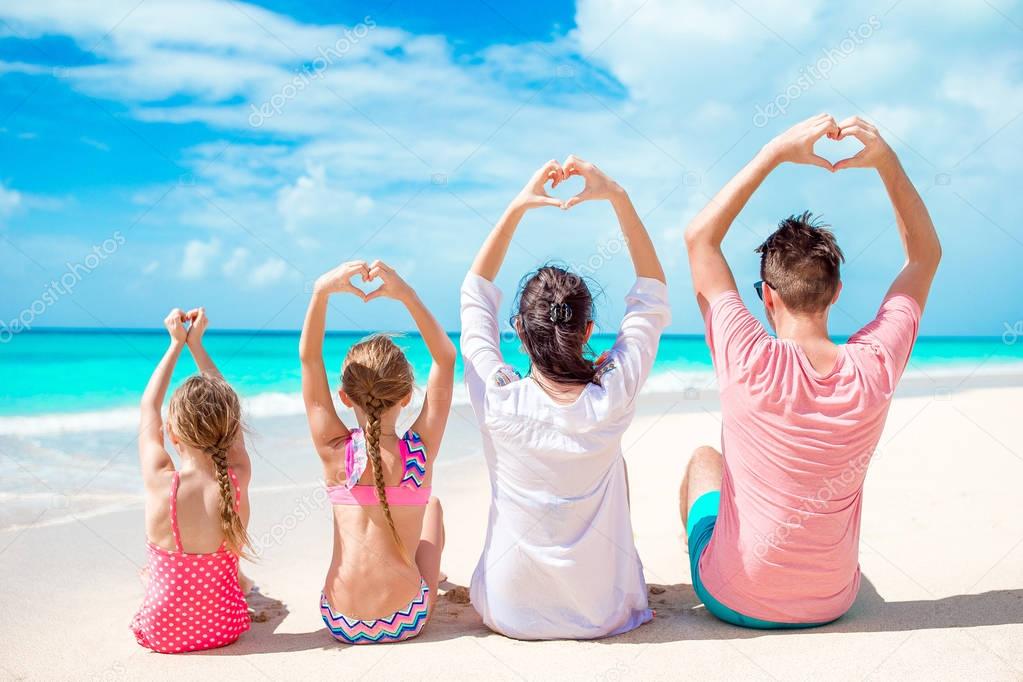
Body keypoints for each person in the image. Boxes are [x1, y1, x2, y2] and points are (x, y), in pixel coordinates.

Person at [680, 114, 942, 627]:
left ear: (768, 296)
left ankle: (723, 570)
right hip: (831, 603)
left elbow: (699, 238)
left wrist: (775, 152)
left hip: (734, 601)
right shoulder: (875, 363)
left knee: (703, 461)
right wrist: (887, 162)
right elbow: (925, 256)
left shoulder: (746, 354)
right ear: (837, 292)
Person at [460, 156, 670, 639]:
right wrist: (617, 195)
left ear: (518, 330)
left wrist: (517, 207)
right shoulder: (612, 390)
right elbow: (652, 296)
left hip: (509, 614)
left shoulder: (499, 399)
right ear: (590, 330)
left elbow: (474, 299)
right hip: (603, 615)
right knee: (616, 464)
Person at [300, 260, 454, 644]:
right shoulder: (419, 451)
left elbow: (309, 359)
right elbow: (446, 359)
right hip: (405, 618)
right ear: (406, 396)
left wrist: (321, 292)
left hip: (340, 619)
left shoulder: (335, 451)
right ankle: (426, 579)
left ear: (344, 396)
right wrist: (407, 295)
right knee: (431, 507)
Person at [131, 307, 253, 653]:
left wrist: (175, 345)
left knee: (150, 573)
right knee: (229, 570)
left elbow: (148, 408)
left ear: (170, 432)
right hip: (226, 628)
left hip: (163, 635)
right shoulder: (238, 478)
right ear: (231, 431)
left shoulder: (160, 479)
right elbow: (230, 410)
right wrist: (197, 345)